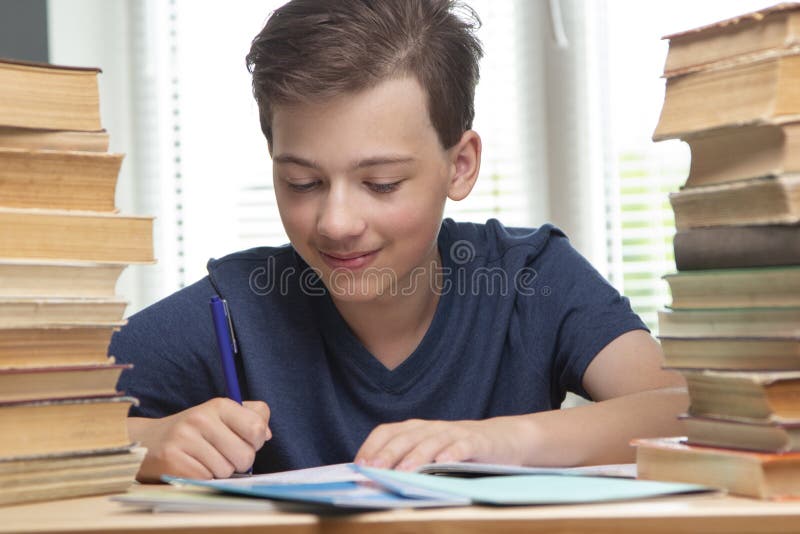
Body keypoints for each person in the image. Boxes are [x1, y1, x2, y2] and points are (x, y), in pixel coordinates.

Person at [112, 0, 687, 483]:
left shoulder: (528, 277)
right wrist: (148, 442)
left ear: (460, 166)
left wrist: (496, 442)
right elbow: (27, 424)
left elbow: (686, 413)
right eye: (302, 182)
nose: (336, 222)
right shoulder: (238, 308)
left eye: (380, 183)